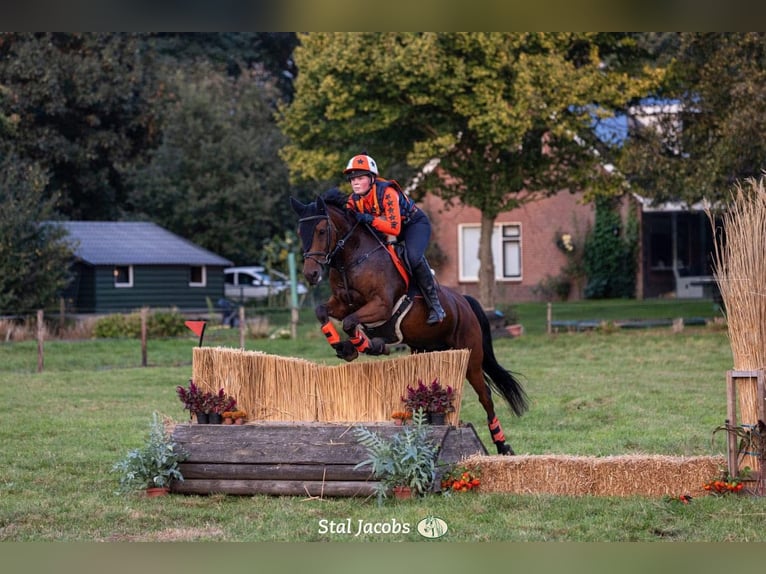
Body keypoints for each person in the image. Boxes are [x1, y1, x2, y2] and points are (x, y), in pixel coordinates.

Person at [343, 153, 446, 325]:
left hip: (413, 225)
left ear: (372, 179)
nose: (355, 182)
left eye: (360, 178)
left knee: (412, 257)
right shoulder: (353, 200)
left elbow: (394, 228)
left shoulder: (387, 192)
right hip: (386, 229)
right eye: (352, 179)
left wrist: (369, 219)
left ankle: (436, 305)